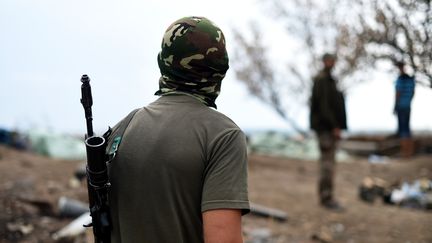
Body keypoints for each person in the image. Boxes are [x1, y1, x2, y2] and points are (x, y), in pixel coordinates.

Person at [107, 17, 249, 242]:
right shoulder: (223, 136)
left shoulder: (121, 129)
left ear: (163, 62)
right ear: (220, 69)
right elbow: (223, 237)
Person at [310, 53, 347, 211]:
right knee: (327, 165)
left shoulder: (329, 79)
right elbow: (324, 107)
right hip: (326, 129)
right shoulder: (322, 80)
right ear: (325, 61)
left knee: (329, 163)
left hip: (328, 128)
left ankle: (327, 196)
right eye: (330, 60)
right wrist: (334, 126)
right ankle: (326, 198)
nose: (332, 63)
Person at [394, 61, 415, 157]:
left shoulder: (400, 79)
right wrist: (409, 101)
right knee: (407, 129)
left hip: (401, 107)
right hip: (408, 106)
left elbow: (397, 93)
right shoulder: (411, 79)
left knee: (402, 129)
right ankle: (409, 152)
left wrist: (395, 105)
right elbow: (413, 92)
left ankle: (404, 153)